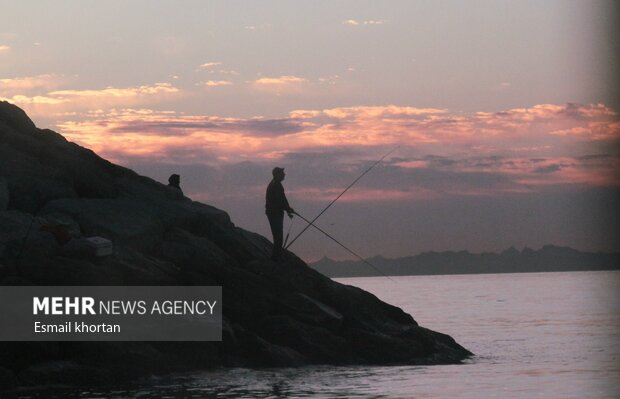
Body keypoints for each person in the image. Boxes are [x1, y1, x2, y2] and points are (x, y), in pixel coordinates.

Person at [265, 167, 294, 261]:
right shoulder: (276, 185)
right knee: (278, 236)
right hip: (274, 214)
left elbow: (282, 200)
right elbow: (281, 200)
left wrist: (288, 210)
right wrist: (288, 209)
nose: (284, 174)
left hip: (274, 213)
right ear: (277, 174)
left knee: (278, 236)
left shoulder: (276, 185)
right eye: (282, 173)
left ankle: (276, 257)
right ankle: (276, 258)